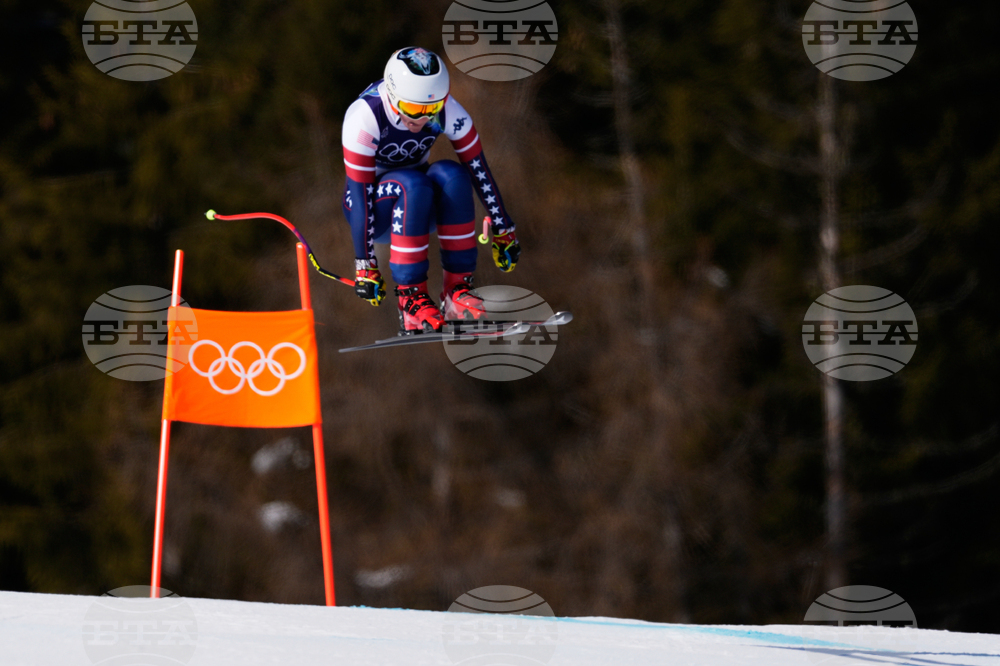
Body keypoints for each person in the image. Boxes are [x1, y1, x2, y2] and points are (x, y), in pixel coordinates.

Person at [341, 46, 520, 334]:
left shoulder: (448, 110)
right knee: (413, 183)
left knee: (453, 175)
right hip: (373, 211)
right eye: (414, 109)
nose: (423, 119)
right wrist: (366, 264)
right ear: (393, 96)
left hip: (419, 207)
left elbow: (479, 170)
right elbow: (360, 195)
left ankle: (457, 291)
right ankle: (410, 299)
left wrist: (503, 228)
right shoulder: (365, 117)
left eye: (432, 109)